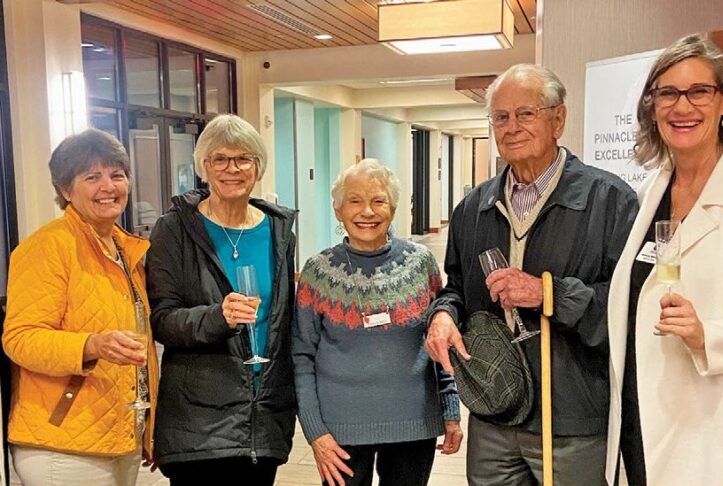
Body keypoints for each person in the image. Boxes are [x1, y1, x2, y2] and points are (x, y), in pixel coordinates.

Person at [424, 63, 638, 485]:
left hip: (572, 418)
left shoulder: (609, 200)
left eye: (526, 113)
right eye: (501, 117)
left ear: (558, 119)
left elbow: (631, 304)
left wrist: (549, 294)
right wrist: (443, 314)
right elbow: (457, 289)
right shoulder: (473, 208)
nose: (512, 127)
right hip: (493, 409)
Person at [606, 33, 723, 485]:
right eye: (668, 93)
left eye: (699, 91)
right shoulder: (650, 191)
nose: (682, 107)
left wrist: (707, 336)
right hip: (644, 426)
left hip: (720, 439)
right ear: (652, 106)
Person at [145, 114, 297, 485]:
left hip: (263, 415)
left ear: (257, 168)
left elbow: (281, 318)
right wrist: (218, 317)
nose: (232, 168)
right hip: (200, 420)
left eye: (243, 158)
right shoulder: (174, 229)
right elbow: (162, 319)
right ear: (204, 168)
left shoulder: (278, 229)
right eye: (220, 159)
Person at [292, 159, 463, 486]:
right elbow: (301, 357)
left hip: (413, 424)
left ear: (394, 208)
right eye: (354, 201)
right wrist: (315, 431)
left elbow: (440, 343)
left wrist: (451, 411)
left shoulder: (420, 263)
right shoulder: (317, 272)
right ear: (338, 210)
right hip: (341, 429)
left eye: (378, 200)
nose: (367, 211)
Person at [2, 129, 159, 484]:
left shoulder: (125, 250)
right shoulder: (47, 247)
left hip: (118, 435)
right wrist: (90, 345)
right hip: (63, 443)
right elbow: (20, 339)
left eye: (117, 175)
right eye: (92, 177)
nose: (108, 186)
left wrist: (146, 428)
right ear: (65, 190)